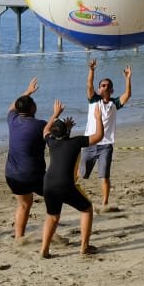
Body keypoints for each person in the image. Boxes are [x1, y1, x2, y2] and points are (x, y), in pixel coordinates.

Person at [40, 106, 103, 258]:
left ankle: (44, 249)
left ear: (54, 134)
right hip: (65, 184)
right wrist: (98, 117)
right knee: (87, 208)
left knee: (52, 216)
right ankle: (84, 246)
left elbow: (45, 130)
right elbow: (99, 136)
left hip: (48, 184)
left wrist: (55, 114)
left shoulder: (51, 142)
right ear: (67, 132)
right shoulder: (76, 142)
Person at [5, 77, 51, 241]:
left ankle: (19, 238)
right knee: (54, 198)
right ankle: (50, 232)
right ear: (33, 108)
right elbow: (55, 135)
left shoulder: (12, 120)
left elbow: (12, 107)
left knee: (24, 204)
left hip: (12, 175)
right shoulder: (40, 125)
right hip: (34, 175)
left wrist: (28, 91)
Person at [82, 58, 131, 207]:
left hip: (106, 145)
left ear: (111, 90)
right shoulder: (93, 100)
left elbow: (127, 95)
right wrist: (92, 70)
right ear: (99, 89)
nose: (105, 87)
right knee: (81, 175)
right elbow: (89, 85)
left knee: (104, 176)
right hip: (89, 142)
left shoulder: (113, 104)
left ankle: (105, 202)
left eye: (108, 86)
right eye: (102, 85)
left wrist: (128, 79)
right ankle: (78, 197)